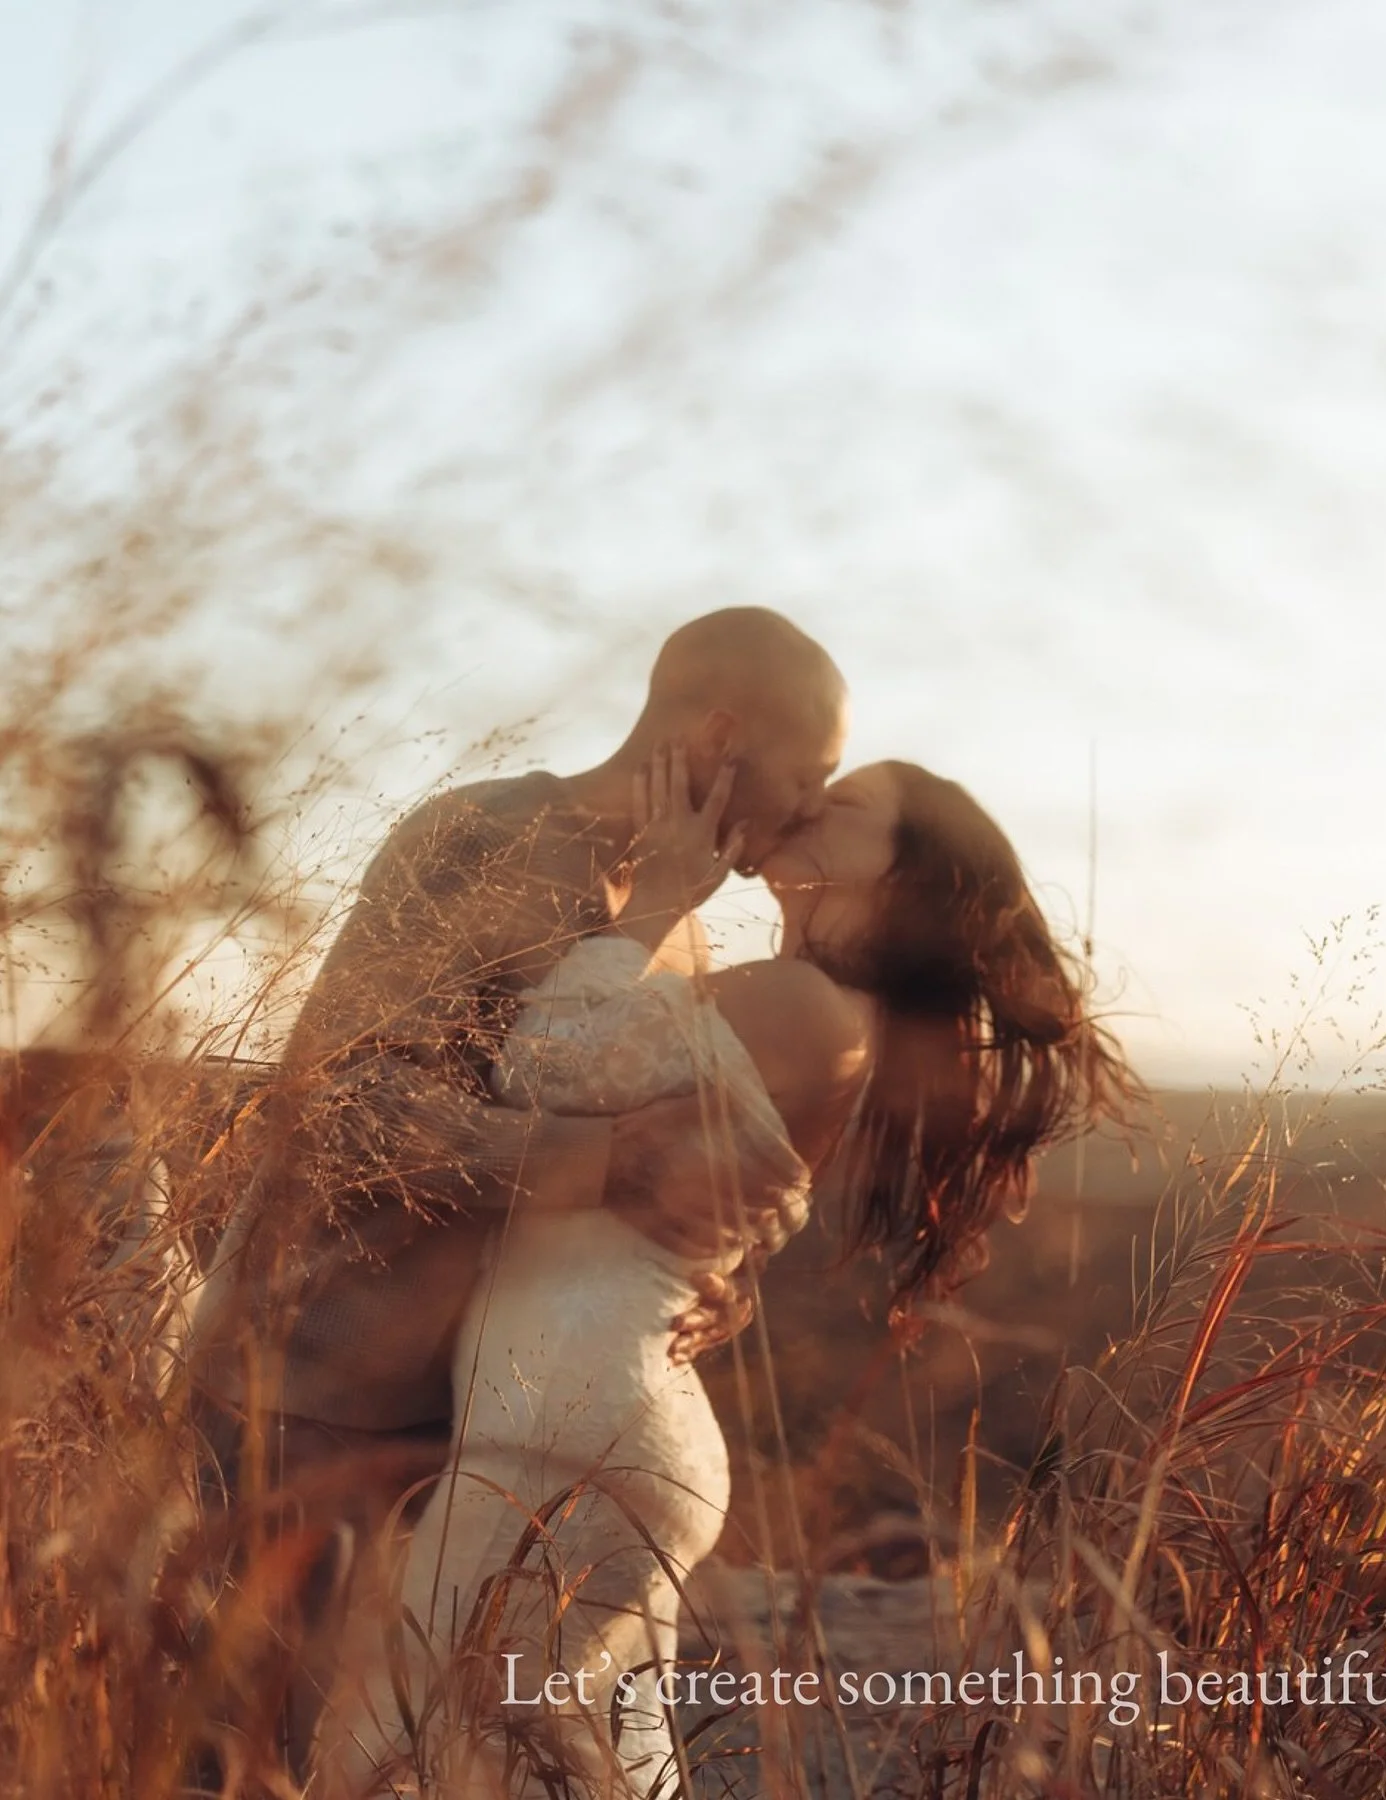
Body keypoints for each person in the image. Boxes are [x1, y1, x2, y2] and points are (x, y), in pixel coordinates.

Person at [318, 748, 1139, 1797]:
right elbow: (701, 1211)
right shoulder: (809, 1008)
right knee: (545, 1755)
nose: (805, 799)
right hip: (594, 1418)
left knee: (413, 1735)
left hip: (574, 1430)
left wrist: (660, 888)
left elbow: (539, 1062)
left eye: (843, 804)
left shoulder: (799, 1000)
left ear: (897, 875)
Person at [184, 606, 849, 1780]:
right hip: (313, 1394)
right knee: (258, 1761)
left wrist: (724, 1269)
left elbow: (700, 1156)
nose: (807, 813)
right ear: (723, 734)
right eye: (810, 775)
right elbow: (342, 1113)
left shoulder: (678, 933)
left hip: (480, 1433)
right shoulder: (482, 836)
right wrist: (610, 1162)